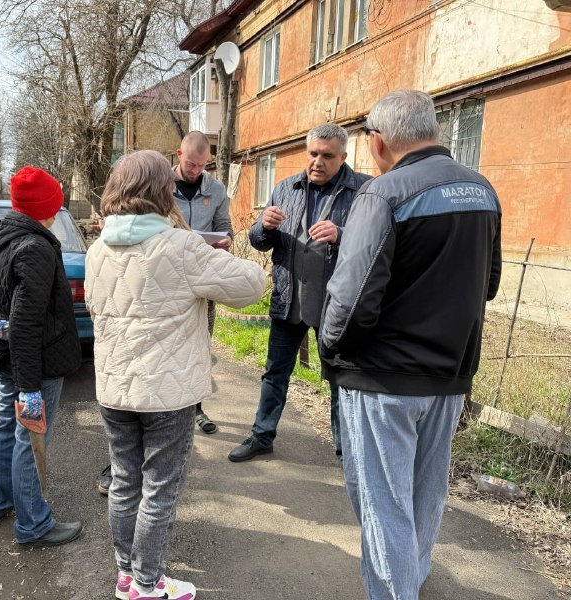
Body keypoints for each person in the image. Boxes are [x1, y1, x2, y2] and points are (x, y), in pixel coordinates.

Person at [320, 90, 502, 599]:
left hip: (382, 379)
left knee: (382, 506)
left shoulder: (384, 194)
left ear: (378, 141)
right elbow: (488, 284)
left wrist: (331, 347)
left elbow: (353, 299)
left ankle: (398, 592)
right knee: (424, 498)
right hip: (448, 376)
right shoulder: (482, 190)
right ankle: (410, 581)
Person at [86, 150, 265, 600]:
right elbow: (251, 285)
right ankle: (147, 584)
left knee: (126, 480)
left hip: (113, 387)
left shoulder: (97, 249)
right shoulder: (181, 247)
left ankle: (126, 573)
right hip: (166, 393)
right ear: (161, 191)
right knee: (160, 487)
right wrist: (205, 251)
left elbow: (94, 307)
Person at [228, 123, 371, 463]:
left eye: (327, 155)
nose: (317, 161)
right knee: (275, 372)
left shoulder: (364, 191)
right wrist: (264, 225)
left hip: (336, 305)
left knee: (340, 379)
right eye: (312, 154)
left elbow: (375, 243)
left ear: (343, 157)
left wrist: (342, 233)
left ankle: (345, 449)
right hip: (289, 299)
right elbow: (258, 241)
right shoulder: (285, 188)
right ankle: (262, 436)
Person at [0, 166, 83, 548]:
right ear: (46, 207)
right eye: (55, 202)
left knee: (5, 428)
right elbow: (26, 324)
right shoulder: (36, 248)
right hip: (36, 363)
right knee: (31, 436)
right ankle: (33, 523)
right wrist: (30, 387)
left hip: (4, 357)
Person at [173, 130, 233, 435]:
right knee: (170, 344)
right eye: (191, 164)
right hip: (168, 280)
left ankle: (196, 408)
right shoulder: (160, 185)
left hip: (202, 280)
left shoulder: (216, 189)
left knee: (200, 344)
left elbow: (225, 229)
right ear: (180, 155)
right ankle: (170, 407)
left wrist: (224, 241)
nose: (195, 171)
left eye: (201, 166)